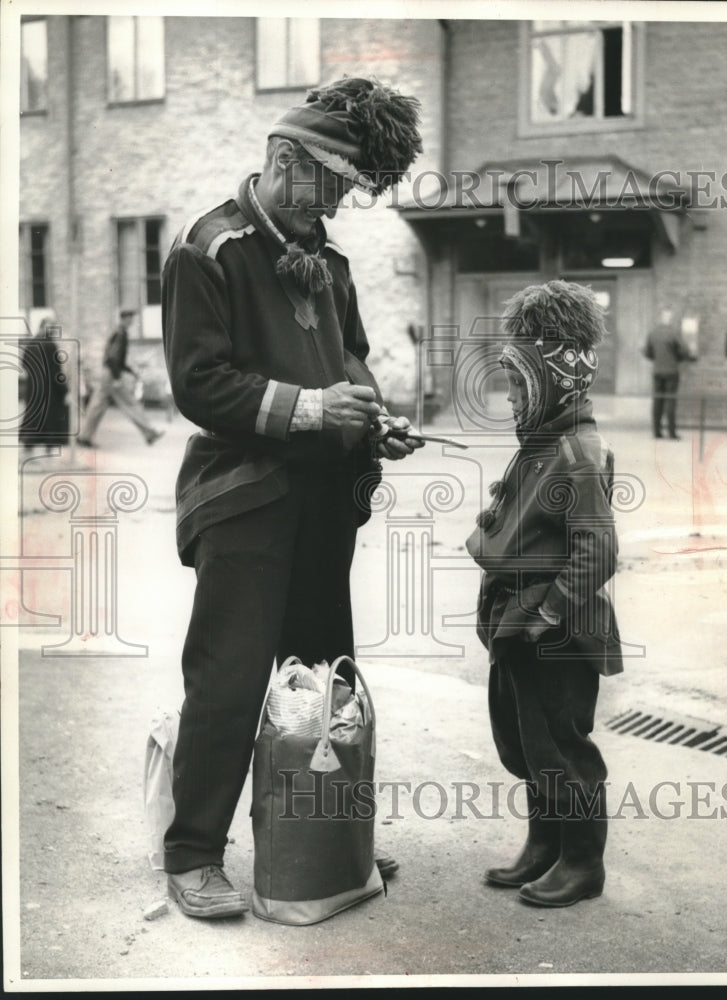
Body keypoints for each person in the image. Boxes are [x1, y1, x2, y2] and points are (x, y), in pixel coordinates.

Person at [160, 77, 424, 918]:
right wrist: (312, 409)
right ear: (282, 159)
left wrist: (372, 416)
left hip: (320, 502)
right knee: (230, 682)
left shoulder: (330, 259)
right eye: (332, 185)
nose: (340, 205)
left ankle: (322, 838)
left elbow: (350, 358)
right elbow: (199, 385)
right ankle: (193, 852)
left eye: (349, 190)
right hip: (243, 502)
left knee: (322, 683)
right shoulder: (208, 250)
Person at [466, 280, 623, 908]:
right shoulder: (539, 445)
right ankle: (544, 846)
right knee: (528, 739)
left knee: (562, 745)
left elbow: (600, 550)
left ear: (557, 382)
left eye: (521, 386)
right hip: (520, 619)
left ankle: (582, 864)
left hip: (554, 629)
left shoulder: (577, 451)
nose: (510, 399)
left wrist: (547, 613)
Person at [77, 308, 164, 447]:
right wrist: (117, 378)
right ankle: (149, 433)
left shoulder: (118, 332)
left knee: (97, 405)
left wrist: (131, 371)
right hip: (111, 374)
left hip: (108, 372)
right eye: (130, 318)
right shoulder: (120, 334)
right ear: (123, 319)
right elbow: (113, 358)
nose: (131, 321)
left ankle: (85, 436)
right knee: (130, 403)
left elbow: (117, 359)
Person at [643, 307, 695, 440]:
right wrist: (678, 358)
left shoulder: (653, 333)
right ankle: (671, 433)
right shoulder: (674, 333)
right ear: (670, 319)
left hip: (657, 371)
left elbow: (647, 352)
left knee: (657, 400)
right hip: (671, 371)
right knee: (670, 401)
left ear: (660, 318)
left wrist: (657, 359)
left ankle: (656, 432)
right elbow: (684, 351)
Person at [19, 316, 69, 455]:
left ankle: (28, 444)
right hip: (49, 389)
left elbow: (24, 363)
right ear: (44, 327)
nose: (52, 330)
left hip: (33, 387)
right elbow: (56, 371)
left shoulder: (31, 343)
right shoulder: (50, 345)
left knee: (33, 415)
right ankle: (49, 446)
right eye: (50, 326)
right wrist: (64, 388)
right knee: (50, 417)